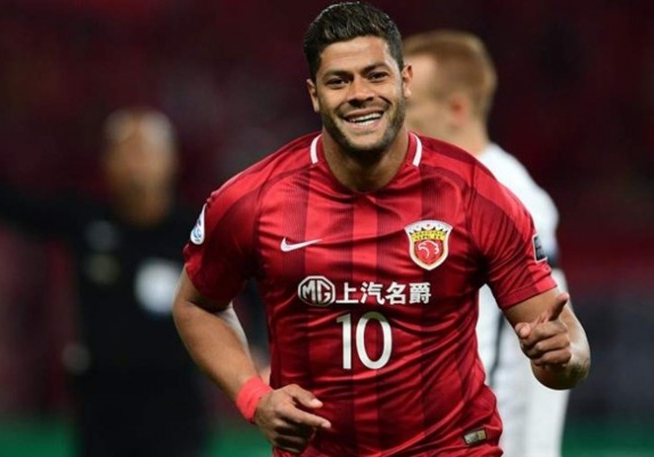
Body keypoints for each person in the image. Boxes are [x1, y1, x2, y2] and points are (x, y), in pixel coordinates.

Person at [172, 2, 591, 456]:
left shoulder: (478, 196)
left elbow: (566, 345)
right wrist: (254, 397)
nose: (359, 94)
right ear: (314, 95)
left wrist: (562, 356)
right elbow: (196, 305)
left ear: (404, 81)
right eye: (339, 81)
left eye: (375, 75)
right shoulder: (253, 200)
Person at [0, 108, 208, 457]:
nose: (135, 162)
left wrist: (256, 341)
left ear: (171, 161)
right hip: (102, 408)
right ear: (107, 162)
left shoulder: (200, 232)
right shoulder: (85, 222)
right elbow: (3, 199)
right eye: (124, 150)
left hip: (174, 408)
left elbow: (254, 281)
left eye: (145, 150)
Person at [402, 29, 571, 456]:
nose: (395, 119)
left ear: (457, 108)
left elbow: (545, 339)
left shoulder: (512, 196)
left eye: (410, 106)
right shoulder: (419, 188)